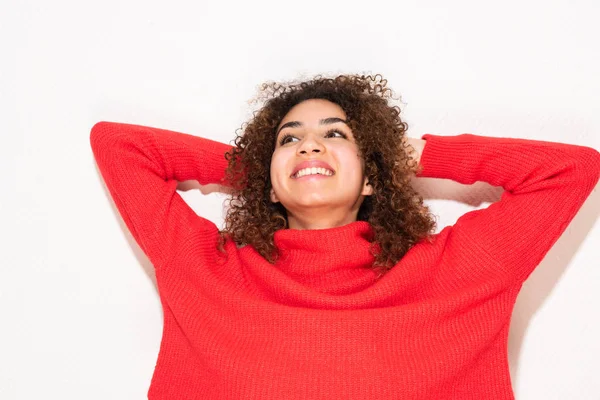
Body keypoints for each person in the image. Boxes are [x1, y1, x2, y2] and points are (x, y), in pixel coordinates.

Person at [90, 74, 600, 399]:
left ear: (374, 174)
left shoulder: (457, 272)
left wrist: (412, 155)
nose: (310, 144)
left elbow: (571, 171)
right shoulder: (208, 270)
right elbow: (118, 145)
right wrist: (264, 167)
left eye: (334, 134)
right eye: (290, 139)